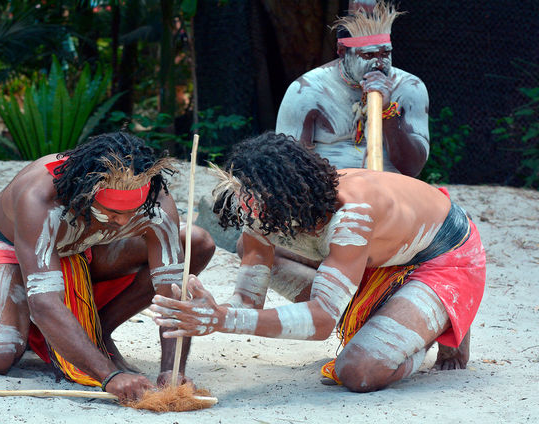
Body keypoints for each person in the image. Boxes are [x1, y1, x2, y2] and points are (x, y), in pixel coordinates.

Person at [150, 132, 486, 392]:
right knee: (246, 245)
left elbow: (322, 321)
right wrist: (206, 310)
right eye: (244, 205)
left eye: (256, 208)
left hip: (441, 257)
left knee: (358, 371)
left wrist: (221, 319)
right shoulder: (258, 207)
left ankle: (438, 320)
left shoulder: (353, 213)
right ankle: (392, 316)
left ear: (287, 198)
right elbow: (248, 303)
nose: (248, 216)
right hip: (375, 260)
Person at [0, 132, 215, 401]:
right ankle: (29, 322)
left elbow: (172, 293)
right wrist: (110, 376)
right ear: (87, 192)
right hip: (18, 248)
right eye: (114, 213)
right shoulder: (40, 197)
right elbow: (44, 302)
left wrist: (172, 370)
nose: (123, 223)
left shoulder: (155, 199)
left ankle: (99, 329)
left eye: (132, 213)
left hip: (87, 246)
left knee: (195, 243)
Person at [275, 1, 429, 177]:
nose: (379, 64)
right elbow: (289, 169)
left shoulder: (409, 88)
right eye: (368, 55)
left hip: (391, 194)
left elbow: (413, 169)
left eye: (385, 54)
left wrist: (387, 112)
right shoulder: (307, 91)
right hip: (328, 193)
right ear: (342, 51)